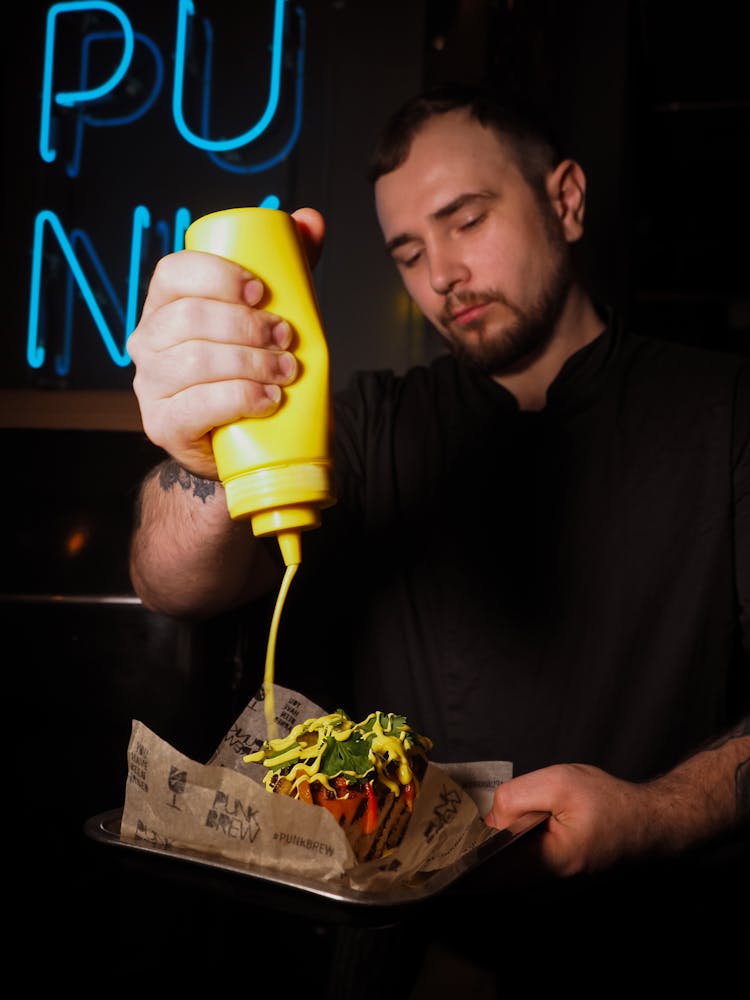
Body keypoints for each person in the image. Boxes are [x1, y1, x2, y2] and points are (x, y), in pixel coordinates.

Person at [127, 83, 749, 986]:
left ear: (565, 200)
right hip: (408, 967)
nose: (441, 275)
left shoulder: (724, 409)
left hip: (656, 948)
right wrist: (210, 456)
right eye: (409, 251)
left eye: (467, 220)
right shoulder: (372, 420)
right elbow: (170, 581)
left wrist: (659, 812)